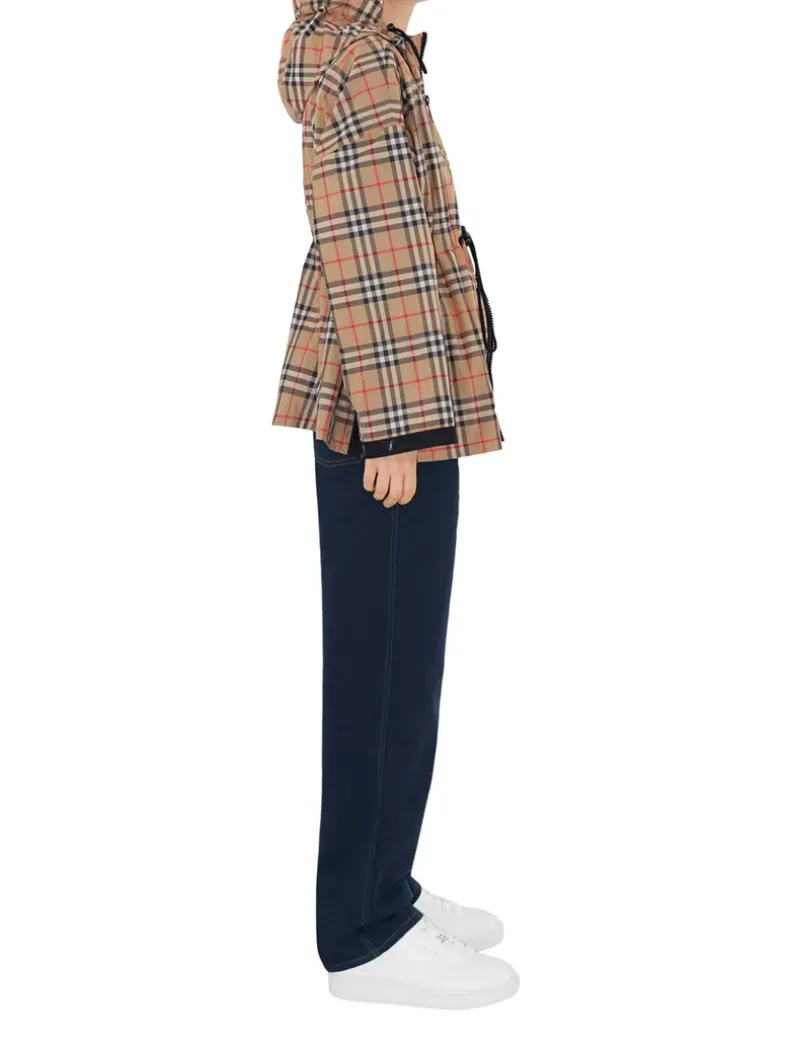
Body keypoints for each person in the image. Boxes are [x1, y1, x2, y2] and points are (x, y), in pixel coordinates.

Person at [273, 0, 517, 1009]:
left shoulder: (371, 54)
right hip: (389, 411)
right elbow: (372, 252)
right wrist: (401, 432)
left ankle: (387, 887)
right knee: (384, 675)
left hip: (397, 394)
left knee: (401, 666)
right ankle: (363, 933)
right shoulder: (363, 65)